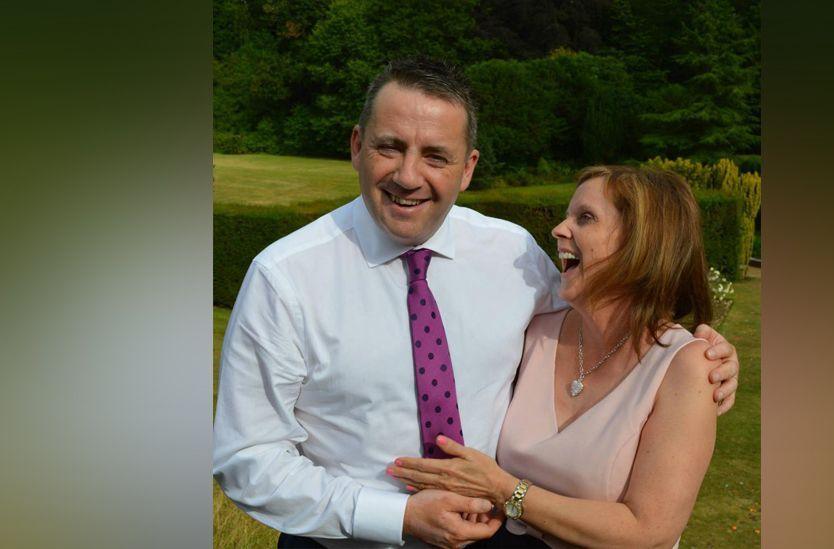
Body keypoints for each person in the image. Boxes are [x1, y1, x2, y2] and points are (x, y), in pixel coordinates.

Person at [212, 59, 740, 549]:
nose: (408, 175)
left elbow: (610, 310)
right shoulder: (285, 278)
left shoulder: (511, 254)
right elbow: (247, 458)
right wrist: (392, 517)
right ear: (356, 145)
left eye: (436, 156)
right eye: (389, 147)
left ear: (468, 168)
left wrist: (701, 361)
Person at [389, 166, 722, 548]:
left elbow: (648, 529)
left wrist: (505, 490)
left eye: (585, 218)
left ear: (642, 242)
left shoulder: (687, 365)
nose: (559, 230)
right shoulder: (538, 329)